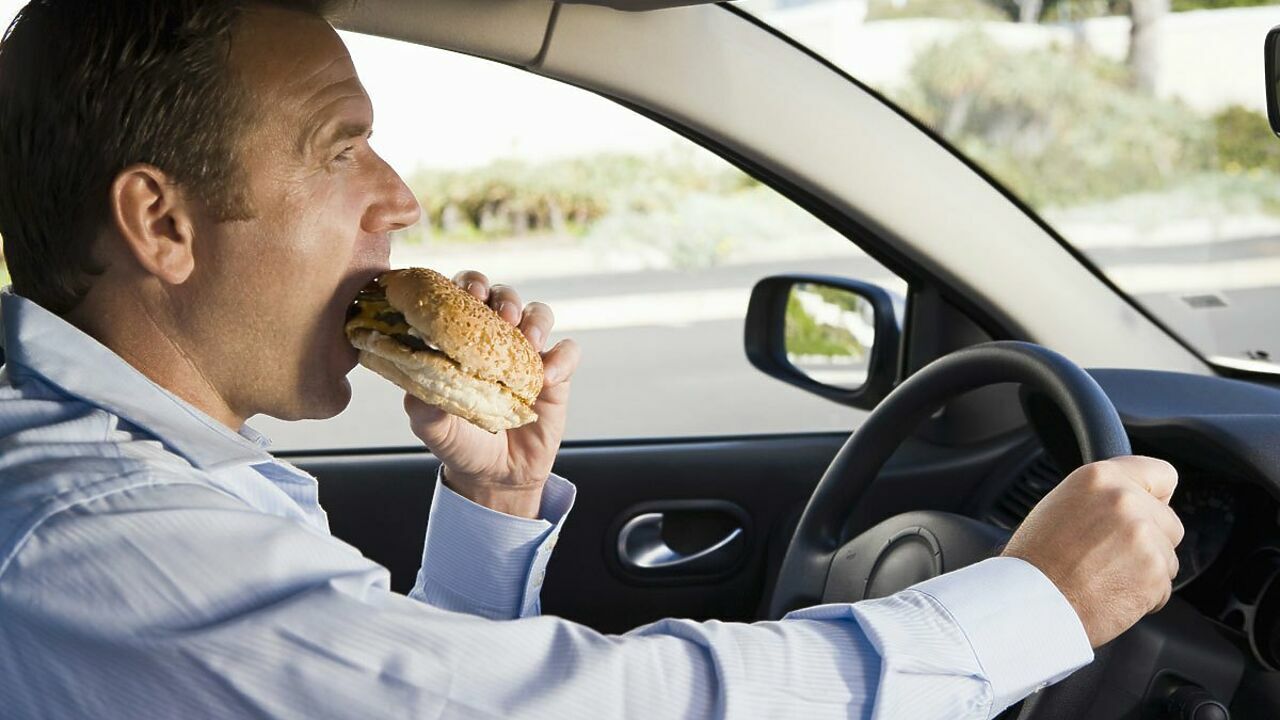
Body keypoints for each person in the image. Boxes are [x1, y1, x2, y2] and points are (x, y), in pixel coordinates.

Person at [0, 1, 1183, 718]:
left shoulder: (144, 476)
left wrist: (492, 499)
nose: (398, 197)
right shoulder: (97, 534)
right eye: (338, 147)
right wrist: (1027, 609)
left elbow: (398, 688)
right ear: (162, 224)